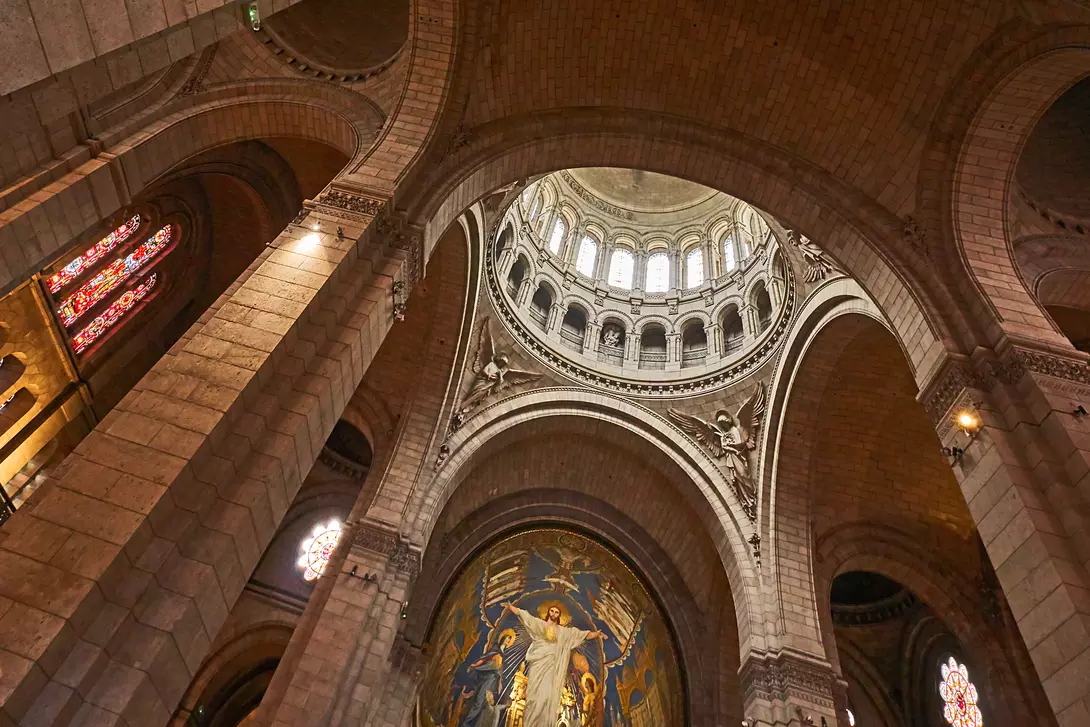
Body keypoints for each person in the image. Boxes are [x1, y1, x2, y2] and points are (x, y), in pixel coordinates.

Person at [502, 601, 606, 727]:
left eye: (556, 612)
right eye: (552, 611)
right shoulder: (540, 625)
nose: (554, 613)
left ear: (559, 615)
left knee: (547, 696)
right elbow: (526, 617)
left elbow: (581, 634)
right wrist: (511, 607)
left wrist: (596, 634)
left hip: (553, 669)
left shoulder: (564, 632)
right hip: (538, 666)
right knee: (534, 698)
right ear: (548, 613)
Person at [458, 629, 516, 727]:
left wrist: (500, 683)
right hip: (488, 677)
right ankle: (466, 723)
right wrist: (475, 665)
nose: (507, 641)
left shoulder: (503, 654)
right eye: (507, 638)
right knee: (479, 701)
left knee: (488, 704)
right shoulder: (495, 648)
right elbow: (485, 658)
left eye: (509, 640)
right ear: (503, 638)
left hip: (494, 680)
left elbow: (500, 669)